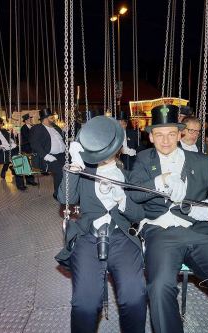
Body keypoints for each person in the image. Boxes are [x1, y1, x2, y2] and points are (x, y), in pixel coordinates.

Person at [129, 104, 208, 333]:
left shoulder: (201, 161)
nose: (166, 141)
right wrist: (161, 180)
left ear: (180, 134)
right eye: (159, 135)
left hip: (199, 231)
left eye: (171, 134)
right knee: (159, 288)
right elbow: (134, 192)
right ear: (151, 136)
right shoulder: (142, 159)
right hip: (161, 233)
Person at [55, 116, 146, 333]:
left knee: (134, 297)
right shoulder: (84, 173)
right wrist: (75, 167)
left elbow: (139, 213)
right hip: (88, 237)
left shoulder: (128, 176)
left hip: (121, 238)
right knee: (85, 304)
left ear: (116, 148)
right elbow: (64, 198)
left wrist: (122, 199)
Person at [0, 115, 32, 191]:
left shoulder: (4, 131)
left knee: (24, 158)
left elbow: (11, 139)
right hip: (1, 152)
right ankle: (21, 184)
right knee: (18, 162)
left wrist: (14, 136)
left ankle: (29, 178)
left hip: (11, 149)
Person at [29, 108, 66, 199]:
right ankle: (57, 194)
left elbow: (60, 140)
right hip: (49, 157)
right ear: (45, 119)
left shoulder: (56, 127)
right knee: (59, 172)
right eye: (51, 117)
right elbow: (34, 143)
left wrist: (65, 132)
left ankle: (68, 191)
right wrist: (46, 156)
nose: (53, 119)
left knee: (72, 170)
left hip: (63, 155)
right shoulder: (37, 128)